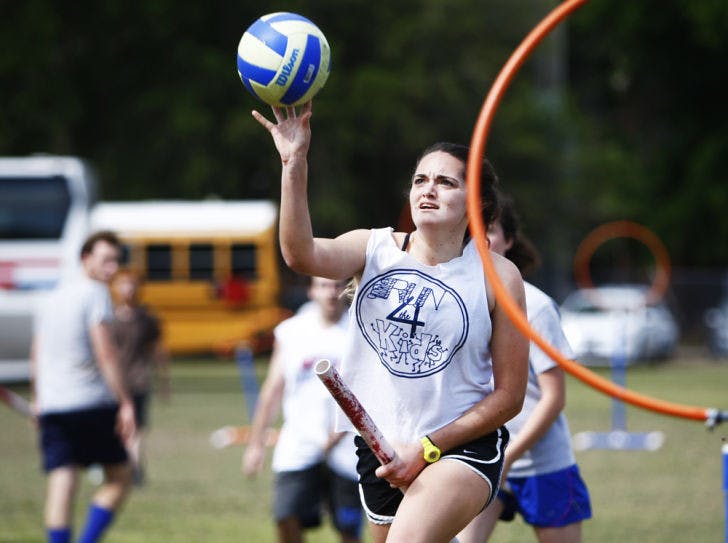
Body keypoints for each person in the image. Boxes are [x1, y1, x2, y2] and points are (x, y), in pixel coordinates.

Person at [252, 101, 530, 543]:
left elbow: (510, 397)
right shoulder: (373, 248)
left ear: (475, 201)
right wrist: (293, 164)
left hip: (460, 449)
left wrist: (427, 448)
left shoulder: (499, 275)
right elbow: (299, 255)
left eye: (445, 181)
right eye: (420, 180)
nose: (428, 190)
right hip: (380, 446)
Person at [457, 195, 592, 543]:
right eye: (472, 231)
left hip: (542, 465)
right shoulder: (459, 302)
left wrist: (512, 457)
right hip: (484, 456)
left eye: (490, 231)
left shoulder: (537, 306)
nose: (480, 240)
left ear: (509, 240)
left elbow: (554, 398)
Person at [30, 231, 136, 543]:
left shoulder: (51, 297)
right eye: (106, 260)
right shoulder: (95, 293)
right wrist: (125, 402)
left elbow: (37, 353)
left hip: (53, 404)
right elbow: (104, 352)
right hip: (90, 401)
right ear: (85, 259)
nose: (113, 268)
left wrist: (38, 399)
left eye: (116, 260)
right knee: (120, 476)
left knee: (62, 481)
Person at [242, 276, 364, 543]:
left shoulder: (359, 331)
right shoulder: (292, 331)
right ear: (311, 290)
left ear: (346, 289)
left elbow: (368, 390)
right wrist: (255, 444)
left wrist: (343, 429)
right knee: (285, 516)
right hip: (299, 440)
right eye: (322, 285)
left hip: (346, 445)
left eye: (336, 285)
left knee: (348, 527)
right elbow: (273, 388)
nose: (330, 292)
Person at [108, 269, 170, 485]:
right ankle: (113, 467)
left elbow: (158, 351)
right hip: (112, 382)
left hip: (138, 380)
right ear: (115, 287)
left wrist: (164, 382)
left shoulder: (147, 319)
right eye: (124, 284)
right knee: (113, 428)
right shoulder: (106, 316)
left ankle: (134, 470)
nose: (129, 289)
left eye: (133, 284)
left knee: (136, 428)